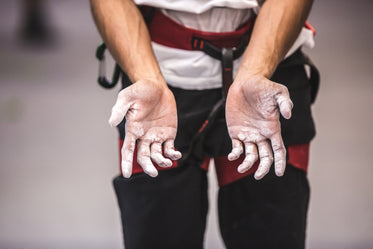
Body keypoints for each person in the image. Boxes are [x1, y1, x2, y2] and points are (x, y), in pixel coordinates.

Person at [90, 0, 318, 248]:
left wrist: (256, 71)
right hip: (155, 73)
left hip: (267, 74)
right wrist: (145, 76)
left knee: (271, 237)